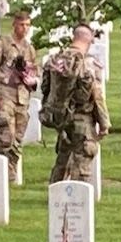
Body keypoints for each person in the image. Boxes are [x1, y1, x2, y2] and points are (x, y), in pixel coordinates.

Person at [42, 24, 110, 184]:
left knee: (62, 160)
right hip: (82, 120)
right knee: (82, 163)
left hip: (61, 118)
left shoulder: (55, 61)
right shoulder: (89, 64)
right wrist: (104, 123)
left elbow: (45, 88)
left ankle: (55, 195)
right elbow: (97, 96)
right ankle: (77, 201)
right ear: (89, 40)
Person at [0, 11, 41, 181]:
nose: (25, 28)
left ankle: (9, 175)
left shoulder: (29, 49)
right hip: (4, 94)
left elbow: (34, 71)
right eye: (22, 24)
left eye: (28, 25)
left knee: (16, 141)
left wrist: (30, 76)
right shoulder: (2, 44)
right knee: (7, 135)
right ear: (14, 25)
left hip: (22, 98)